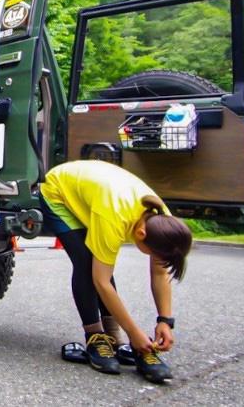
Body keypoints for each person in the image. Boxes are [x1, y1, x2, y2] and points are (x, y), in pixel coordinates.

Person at [38, 160, 192, 382]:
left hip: (98, 193)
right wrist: (133, 331)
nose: (155, 260)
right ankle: (95, 336)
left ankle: (113, 337)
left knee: (100, 262)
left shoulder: (162, 219)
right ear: (140, 234)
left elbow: (160, 273)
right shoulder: (114, 216)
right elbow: (101, 281)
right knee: (87, 263)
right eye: (153, 254)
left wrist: (165, 321)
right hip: (59, 191)